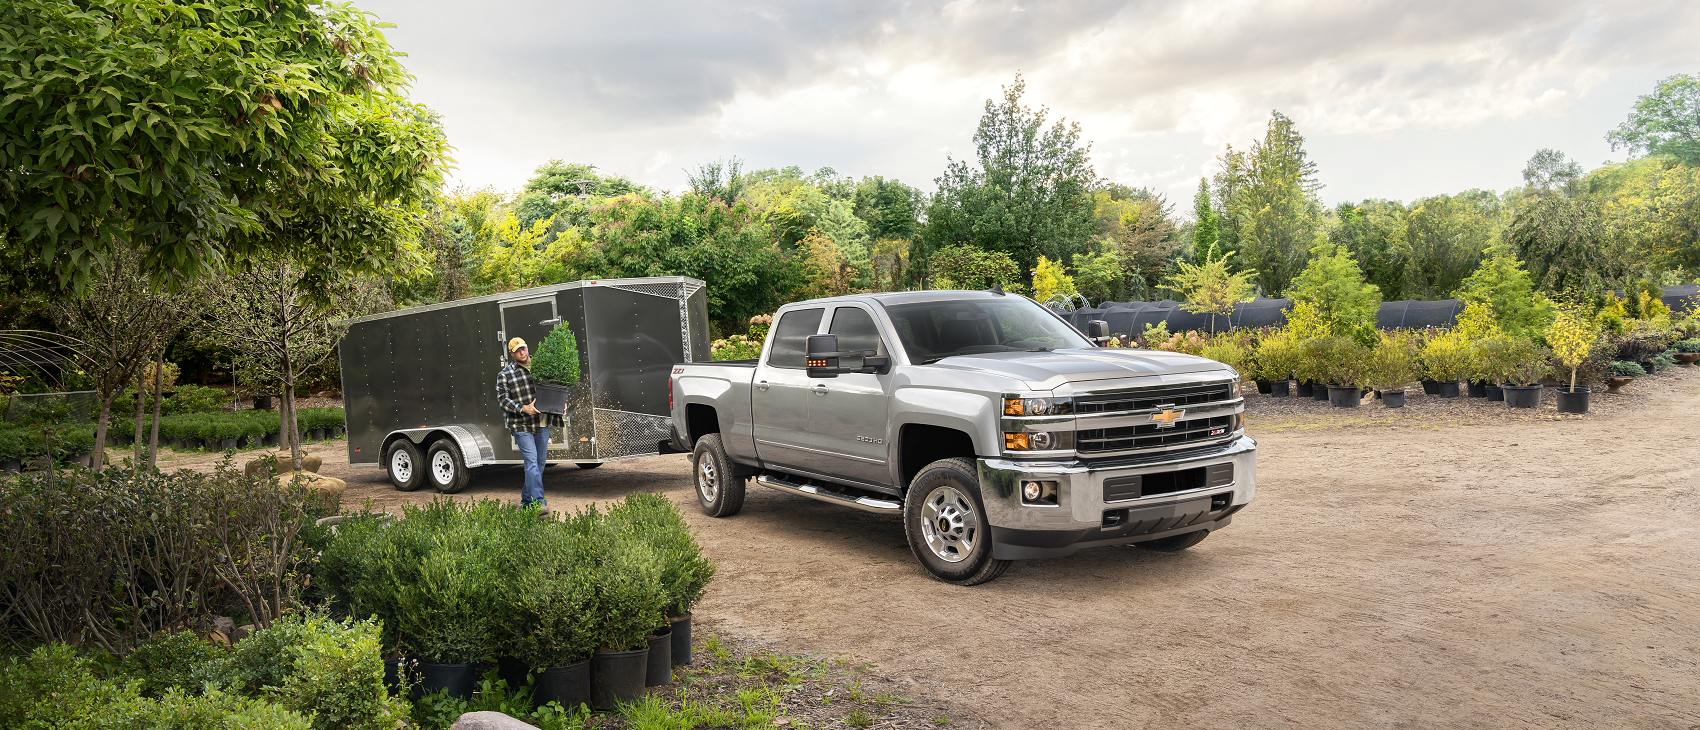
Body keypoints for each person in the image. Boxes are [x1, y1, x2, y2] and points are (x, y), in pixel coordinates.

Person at [496, 337, 562, 509]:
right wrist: (522, 408)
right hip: (521, 424)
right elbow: (503, 400)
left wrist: (561, 404)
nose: (522, 352)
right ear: (511, 353)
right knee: (531, 462)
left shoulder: (540, 367)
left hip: (541, 422)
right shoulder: (505, 374)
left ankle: (526, 502)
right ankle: (539, 503)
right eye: (518, 350)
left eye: (523, 348)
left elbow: (553, 388)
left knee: (539, 465)